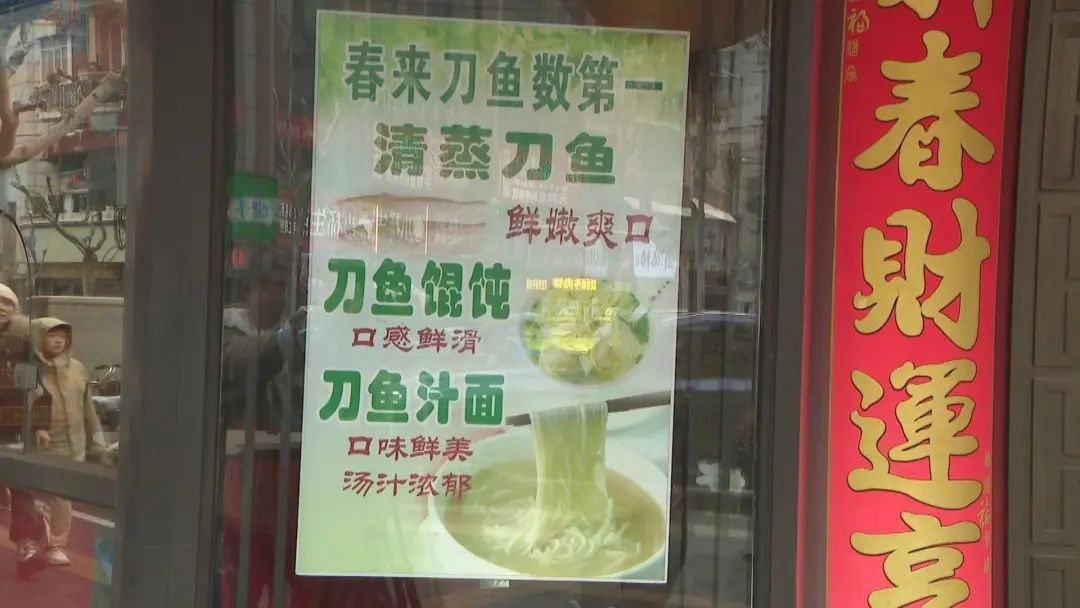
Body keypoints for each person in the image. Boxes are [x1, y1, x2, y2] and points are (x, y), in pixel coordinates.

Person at [30, 316, 109, 567]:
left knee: (61, 496)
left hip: (74, 443)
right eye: (52, 335)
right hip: (42, 444)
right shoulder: (30, 369)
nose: (58, 341)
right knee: (42, 495)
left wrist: (97, 442)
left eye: (62, 336)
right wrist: (36, 428)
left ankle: (54, 543)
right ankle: (40, 539)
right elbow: (22, 404)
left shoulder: (77, 368)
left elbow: (88, 409)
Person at [0, 282, 50, 577]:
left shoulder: (22, 344)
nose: (2, 307)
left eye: (8, 303)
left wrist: (41, 426)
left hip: (12, 428)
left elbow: (37, 388)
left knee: (21, 490)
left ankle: (27, 547)